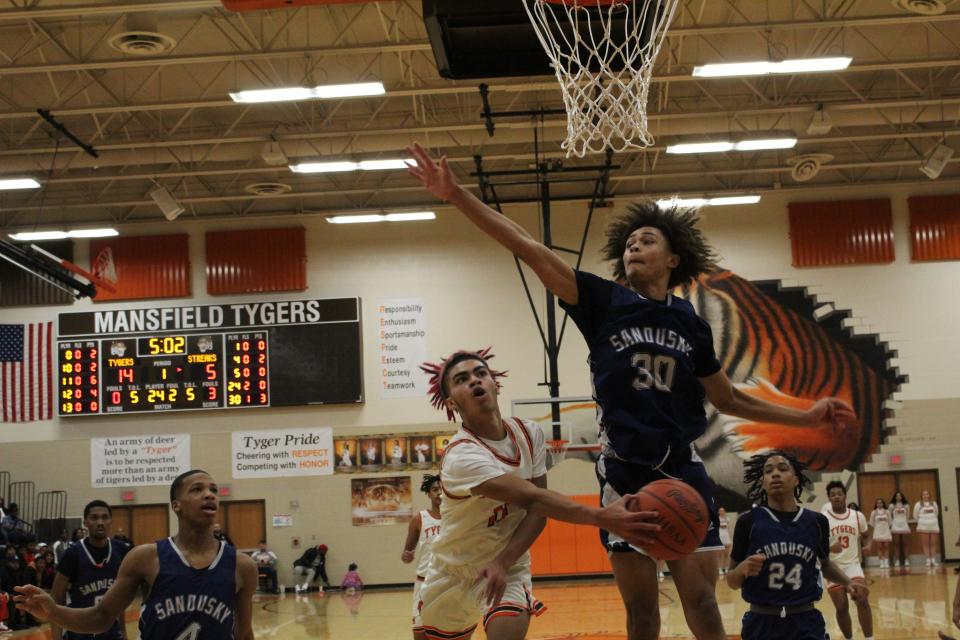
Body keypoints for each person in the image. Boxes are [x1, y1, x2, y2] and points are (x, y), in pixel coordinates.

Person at [406, 142, 857, 640]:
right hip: (624, 473)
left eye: (646, 241)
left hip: (683, 471)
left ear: (672, 258)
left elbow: (728, 399)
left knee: (704, 603)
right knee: (642, 612)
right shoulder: (602, 301)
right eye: (628, 244)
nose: (633, 248)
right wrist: (457, 195)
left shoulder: (691, 323)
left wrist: (806, 417)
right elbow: (524, 246)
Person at [417, 347, 660, 640]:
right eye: (462, 379)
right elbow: (533, 498)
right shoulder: (461, 457)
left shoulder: (529, 433)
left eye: (481, 373)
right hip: (452, 571)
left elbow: (538, 511)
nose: (474, 380)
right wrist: (603, 517)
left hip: (509, 565)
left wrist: (503, 562)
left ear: (495, 383)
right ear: (451, 402)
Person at [14, 470, 258, 640]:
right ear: (176, 505)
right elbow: (101, 616)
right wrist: (54, 612)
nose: (209, 494)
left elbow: (244, 634)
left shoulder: (242, 565)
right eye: (197, 489)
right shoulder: (146, 558)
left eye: (213, 490)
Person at [726, 451, 868, 640]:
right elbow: (731, 581)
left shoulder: (817, 522)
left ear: (796, 480)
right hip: (762, 621)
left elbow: (825, 564)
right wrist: (742, 569)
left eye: (782, 469)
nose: (775, 474)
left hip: (806, 621)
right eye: (768, 471)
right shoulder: (748, 522)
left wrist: (848, 583)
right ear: (763, 482)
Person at [49, 500, 130, 640]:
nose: (100, 522)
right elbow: (55, 601)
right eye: (94, 517)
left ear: (111, 521)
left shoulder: (121, 550)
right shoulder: (72, 553)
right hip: (78, 632)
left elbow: (120, 600)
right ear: (85, 523)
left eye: (105, 517)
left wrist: (123, 632)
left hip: (111, 633)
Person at [821, 481, 874, 640]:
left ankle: (869, 638)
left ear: (844, 496)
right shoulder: (823, 519)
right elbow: (816, 544)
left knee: (862, 599)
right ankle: (849, 638)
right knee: (842, 606)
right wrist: (830, 548)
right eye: (833, 494)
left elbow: (866, 534)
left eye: (839, 493)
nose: (836, 497)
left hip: (853, 565)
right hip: (832, 567)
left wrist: (868, 545)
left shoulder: (857, 516)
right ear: (829, 498)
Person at [401, 474, 442, 640]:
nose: (439, 493)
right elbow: (407, 553)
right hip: (424, 582)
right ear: (429, 494)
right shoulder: (419, 519)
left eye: (442, 489)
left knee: (448, 633)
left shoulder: (457, 518)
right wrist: (406, 555)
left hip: (448, 582)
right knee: (420, 633)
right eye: (435, 489)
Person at [914, 490, 941, 567]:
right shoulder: (918, 504)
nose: (925, 496)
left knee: (933, 543)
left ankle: (933, 560)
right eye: (924, 494)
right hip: (923, 526)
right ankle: (928, 560)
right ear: (921, 496)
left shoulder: (934, 503)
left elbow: (937, 513)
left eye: (927, 494)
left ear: (929, 495)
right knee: (925, 543)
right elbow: (915, 516)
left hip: (933, 525)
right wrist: (922, 521)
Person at [868, 498, 893, 569]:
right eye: (878, 503)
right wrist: (877, 527)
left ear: (883, 504)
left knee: (886, 547)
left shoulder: (887, 512)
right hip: (878, 531)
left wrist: (885, 527)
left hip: (886, 531)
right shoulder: (873, 512)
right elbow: (871, 523)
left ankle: (886, 561)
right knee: (879, 547)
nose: (879, 504)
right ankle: (881, 562)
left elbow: (890, 522)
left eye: (881, 503)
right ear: (876, 504)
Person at [889, 491, 911, 568]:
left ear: (902, 497)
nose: (898, 497)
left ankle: (907, 560)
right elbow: (889, 516)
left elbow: (907, 516)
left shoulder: (906, 505)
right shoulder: (891, 506)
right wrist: (891, 524)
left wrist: (906, 523)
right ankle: (897, 560)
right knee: (896, 544)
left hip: (904, 524)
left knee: (905, 543)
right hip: (895, 524)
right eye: (897, 496)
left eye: (900, 496)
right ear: (895, 497)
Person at [717, 507, 732, 576]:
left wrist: (729, 538)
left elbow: (728, 529)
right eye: (720, 511)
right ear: (718, 512)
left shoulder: (727, 519)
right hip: (720, 538)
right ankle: (720, 569)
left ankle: (726, 568)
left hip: (726, 537)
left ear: (725, 512)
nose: (721, 512)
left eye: (723, 511)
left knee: (726, 555)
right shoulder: (716, 519)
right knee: (719, 555)